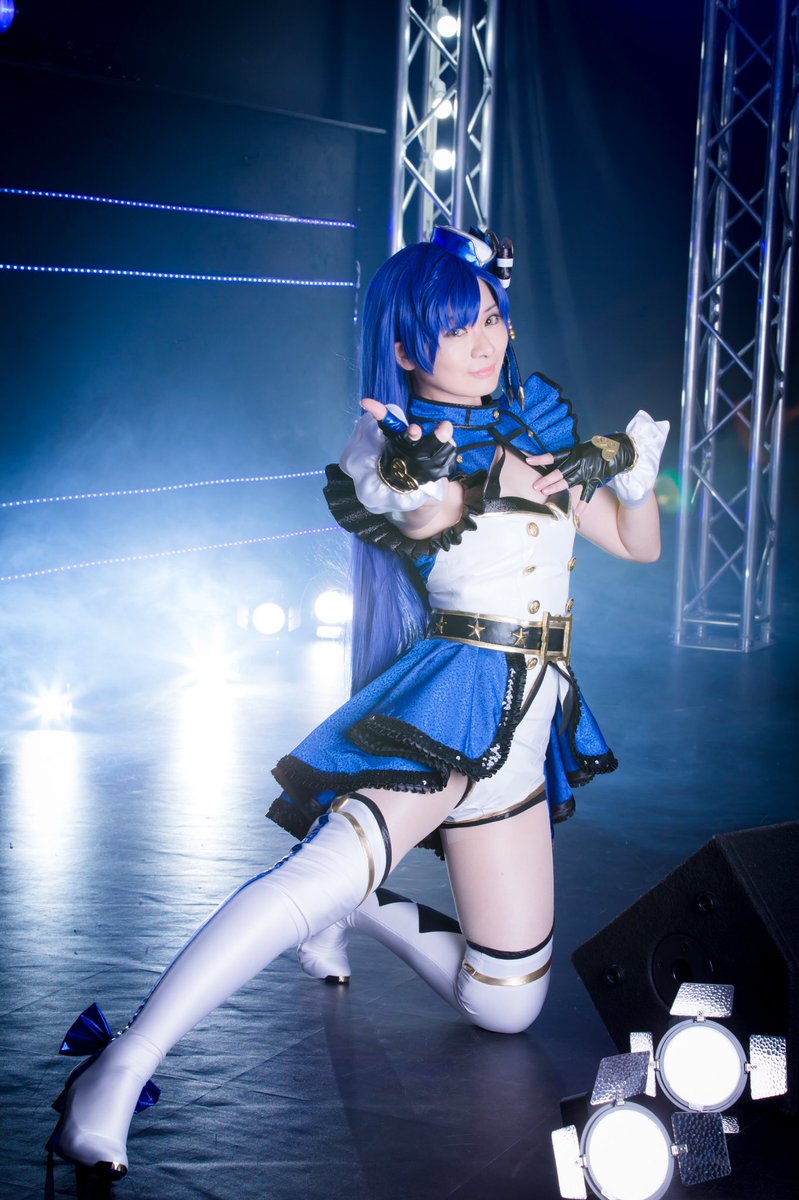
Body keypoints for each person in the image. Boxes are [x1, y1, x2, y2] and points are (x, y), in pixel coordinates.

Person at [47, 227, 668, 1180]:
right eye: (455, 327)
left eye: (491, 318)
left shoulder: (534, 421)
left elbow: (634, 545)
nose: (483, 341)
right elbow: (425, 509)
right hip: (454, 696)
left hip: (531, 717)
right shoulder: (388, 439)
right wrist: (438, 474)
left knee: (505, 1006)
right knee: (317, 878)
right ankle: (119, 1070)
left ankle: (366, 907)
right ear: (407, 348)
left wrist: (634, 481)